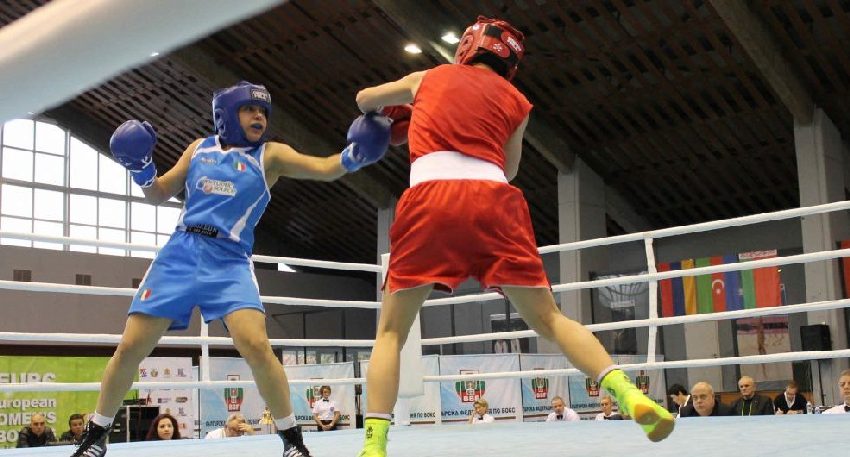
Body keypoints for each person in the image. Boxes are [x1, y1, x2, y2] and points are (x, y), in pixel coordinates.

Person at [353, 15, 674, 457]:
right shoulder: (517, 101)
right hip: (496, 201)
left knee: (391, 332)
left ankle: (374, 445)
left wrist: (397, 116)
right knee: (551, 320)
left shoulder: (430, 76)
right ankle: (629, 393)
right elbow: (510, 169)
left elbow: (363, 99)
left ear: (468, 47)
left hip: (431, 198)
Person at [70, 81, 391, 457]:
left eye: (263, 112)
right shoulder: (199, 148)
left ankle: (292, 440)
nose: (259, 117)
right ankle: (96, 435)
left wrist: (355, 155)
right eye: (250, 109)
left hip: (230, 259)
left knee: (256, 344)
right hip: (180, 254)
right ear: (225, 114)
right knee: (129, 348)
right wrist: (141, 168)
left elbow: (324, 168)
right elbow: (158, 193)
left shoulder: (270, 155)